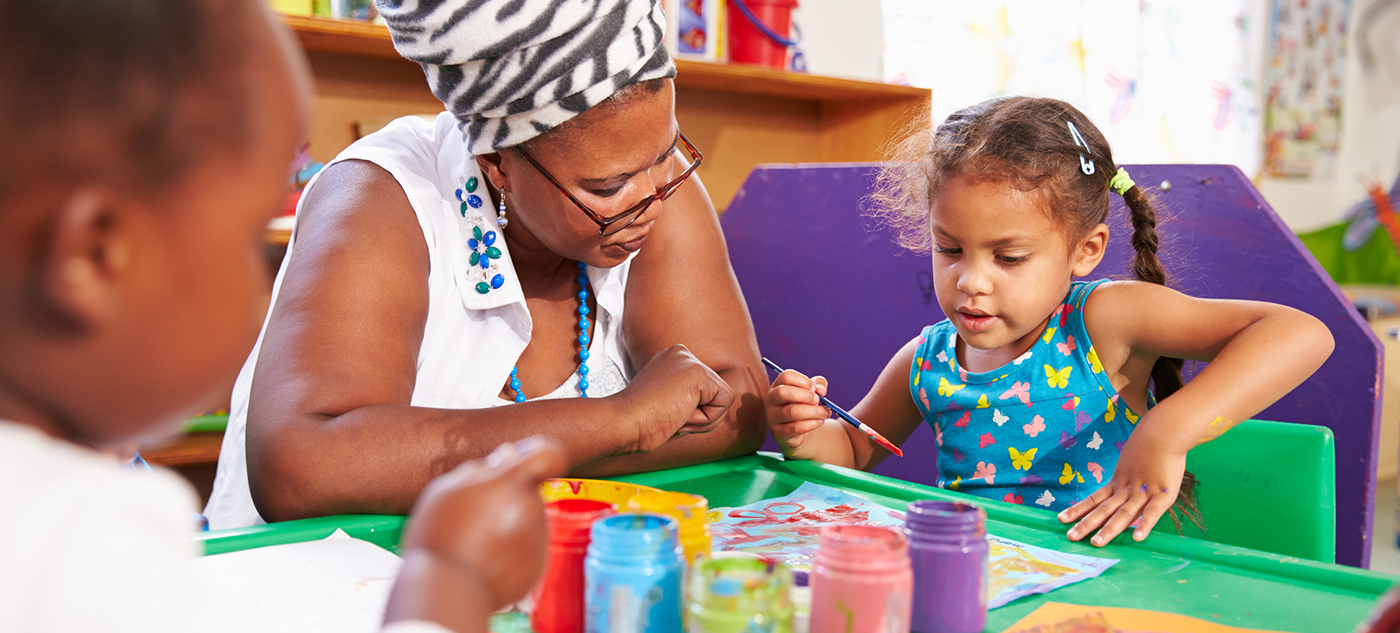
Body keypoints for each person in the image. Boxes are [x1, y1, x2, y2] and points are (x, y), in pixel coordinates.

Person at [0, 1, 568, 631]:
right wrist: (448, 576)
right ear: (95, 256)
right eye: (246, 238)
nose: (261, 289)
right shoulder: (82, 542)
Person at [204, 0, 766, 530]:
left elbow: (736, 407)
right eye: (609, 185)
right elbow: (302, 467)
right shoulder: (382, 195)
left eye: (666, 151)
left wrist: (422, 464)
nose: (653, 199)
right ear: (496, 164)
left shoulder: (651, 189)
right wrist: (623, 423)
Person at [763, 96, 1335, 546]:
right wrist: (804, 431)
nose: (971, 281)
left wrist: (1166, 431)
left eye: (1008, 258)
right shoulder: (927, 359)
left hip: (1109, 591)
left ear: (1085, 250)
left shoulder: (1103, 321)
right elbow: (855, 450)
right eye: (949, 249)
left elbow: (1300, 335)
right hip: (987, 590)